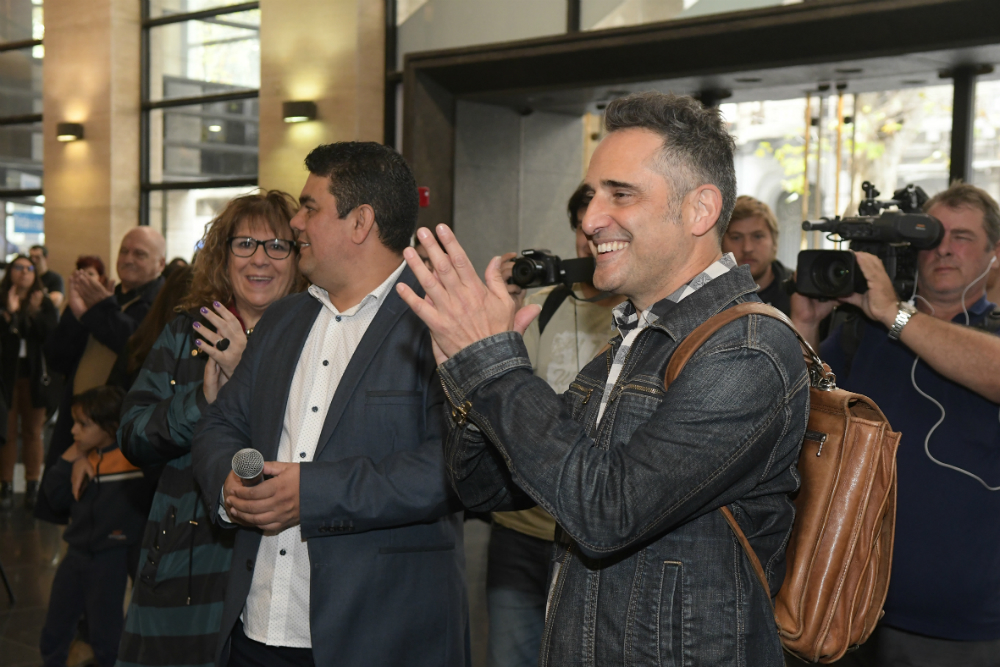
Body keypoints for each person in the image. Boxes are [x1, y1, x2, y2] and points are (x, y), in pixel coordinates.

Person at [397, 92, 809, 667]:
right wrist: (464, 365)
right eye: (593, 195)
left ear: (700, 210)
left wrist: (493, 365)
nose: (590, 220)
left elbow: (606, 512)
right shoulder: (638, 335)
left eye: (621, 194)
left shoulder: (747, 349)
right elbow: (488, 485)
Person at [192, 142, 467, 667]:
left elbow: (457, 466)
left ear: (360, 222)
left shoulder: (442, 321)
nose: (295, 223)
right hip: (257, 628)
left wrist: (314, 493)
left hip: (377, 636)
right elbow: (220, 423)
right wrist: (230, 486)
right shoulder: (282, 320)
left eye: (309, 207)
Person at [790, 182, 1000, 667]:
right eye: (933, 235)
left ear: (993, 255)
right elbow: (799, 417)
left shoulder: (978, 334)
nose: (944, 248)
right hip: (847, 608)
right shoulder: (863, 335)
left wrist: (895, 314)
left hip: (959, 626)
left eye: (963, 237)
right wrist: (804, 327)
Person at [115, 190, 304, 667]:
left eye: (277, 245)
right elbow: (134, 435)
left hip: (279, 573)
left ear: (299, 258)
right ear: (224, 254)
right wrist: (202, 401)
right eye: (245, 244)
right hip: (184, 569)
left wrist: (245, 383)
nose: (260, 260)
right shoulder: (186, 332)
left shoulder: (316, 338)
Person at [486, 184, 623, 667]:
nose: (595, 237)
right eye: (587, 228)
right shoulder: (539, 304)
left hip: (596, 539)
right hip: (521, 530)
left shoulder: (642, 316)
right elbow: (501, 402)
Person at [38, 230, 166, 523]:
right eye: (124, 251)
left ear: (161, 264)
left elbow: (138, 350)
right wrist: (76, 313)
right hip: (80, 423)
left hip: (119, 433)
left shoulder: (160, 305)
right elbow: (57, 357)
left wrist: (99, 310)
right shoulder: (107, 298)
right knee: (74, 514)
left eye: (139, 254)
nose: (128, 259)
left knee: (111, 524)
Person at [39, 385, 152, 667]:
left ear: (109, 426)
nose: (74, 430)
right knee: (56, 623)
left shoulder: (132, 462)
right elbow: (55, 497)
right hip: (75, 554)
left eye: (83, 425)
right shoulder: (82, 456)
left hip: (109, 558)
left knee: (106, 631)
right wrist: (69, 457)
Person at [0, 254, 58, 509]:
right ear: (10, 271)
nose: (24, 272)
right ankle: (6, 484)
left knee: (34, 432)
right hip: (6, 375)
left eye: (29, 268)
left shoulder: (42, 302)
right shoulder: (2, 300)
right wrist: (12, 313)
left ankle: (33, 484)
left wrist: (29, 313)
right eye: (19, 268)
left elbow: (50, 334)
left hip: (35, 376)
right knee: (7, 432)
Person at [721, 195, 792, 315]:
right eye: (736, 238)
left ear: (774, 242)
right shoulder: (705, 294)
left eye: (757, 236)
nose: (747, 248)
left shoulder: (797, 293)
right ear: (721, 243)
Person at [30, 244, 65, 309]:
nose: (33, 260)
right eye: (31, 257)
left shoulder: (55, 278)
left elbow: (56, 301)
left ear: (46, 258)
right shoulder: (28, 277)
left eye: (37, 257)